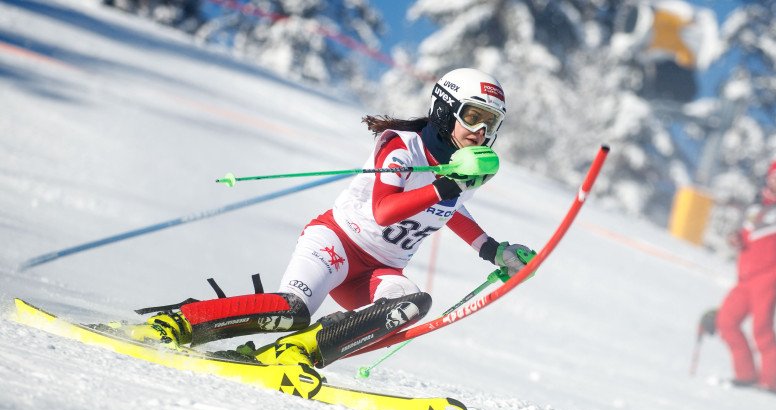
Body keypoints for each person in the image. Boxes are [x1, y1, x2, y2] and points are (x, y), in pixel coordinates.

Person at [123, 68, 533, 369]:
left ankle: (297, 352)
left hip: (380, 269)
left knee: (412, 304)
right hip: (337, 243)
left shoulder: (462, 168)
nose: (480, 132)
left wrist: (493, 250)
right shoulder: (400, 147)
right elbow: (383, 210)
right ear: (445, 110)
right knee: (292, 308)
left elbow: (451, 210)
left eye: (490, 123)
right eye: (473, 116)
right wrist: (447, 186)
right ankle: (176, 324)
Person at [715, 158, 776, 394]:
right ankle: (746, 376)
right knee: (726, 322)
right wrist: (737, 239)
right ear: (770, 178)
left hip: (768, 279)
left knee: (762, 329)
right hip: (745, 278)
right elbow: (747, 234)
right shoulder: (755, 206)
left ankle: (771, 384)